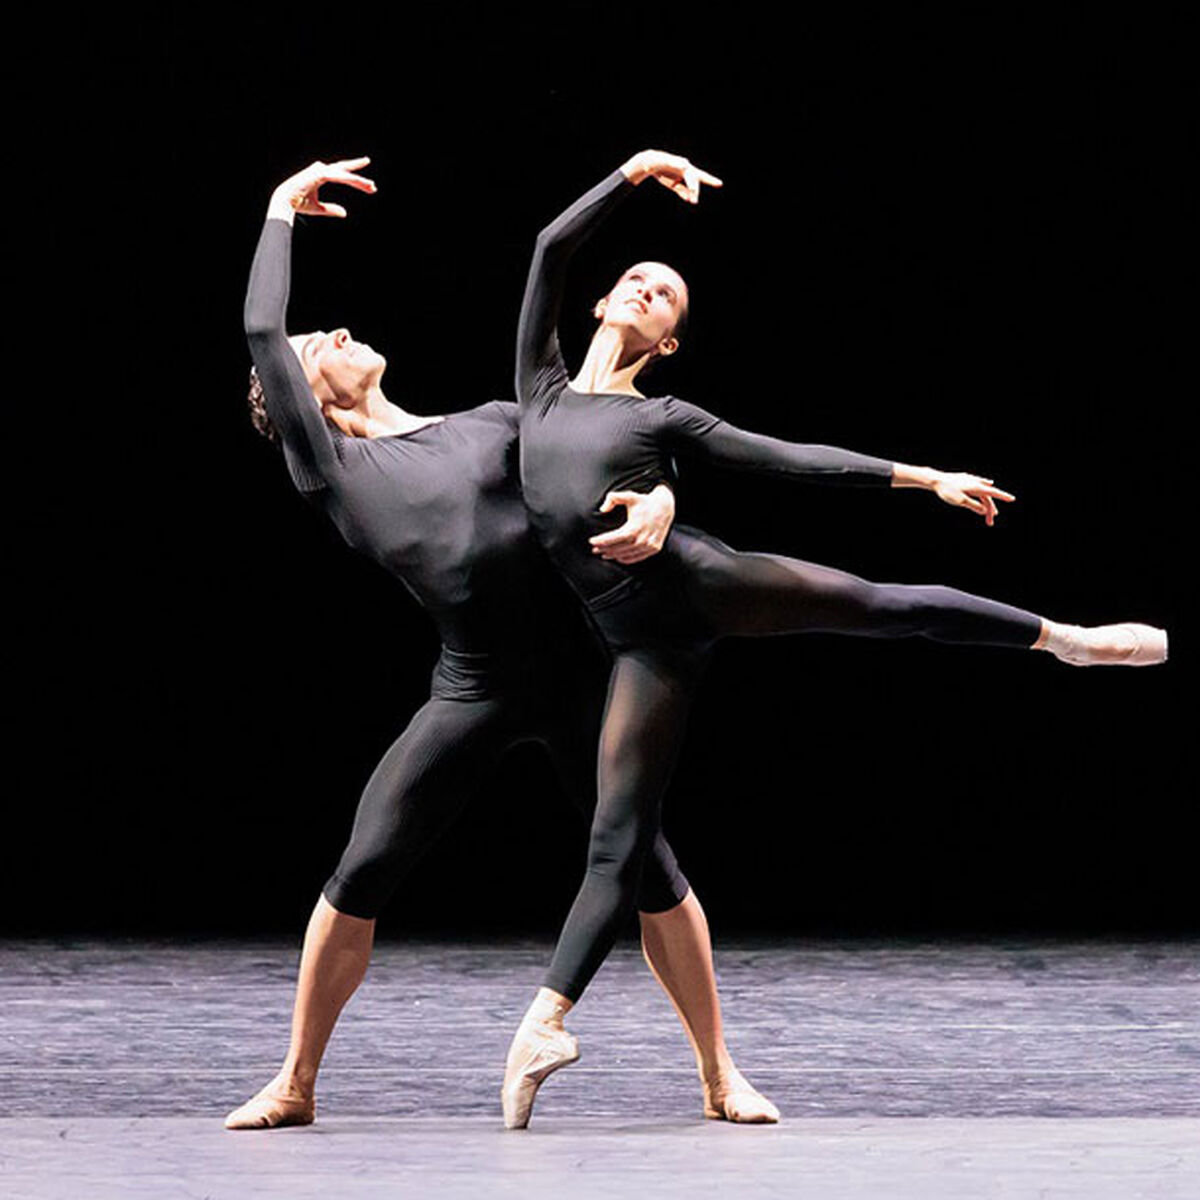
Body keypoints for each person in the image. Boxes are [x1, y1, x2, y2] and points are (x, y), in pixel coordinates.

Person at [502, 148, 1168, 1128]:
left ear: (671, 341)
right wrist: (632, 173)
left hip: (702, 581)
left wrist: (923, 477)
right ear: (606, 301)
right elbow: (550, 244)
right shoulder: (542, 388)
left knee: (877, 603)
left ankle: (1062, 639)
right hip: (641, 642)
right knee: (619, 835)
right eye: (639, 278)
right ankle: (545, 1025)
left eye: (668, 294)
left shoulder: (667, 411)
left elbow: (791, 461)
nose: (648, 286)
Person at [224, 159, 778, 1131]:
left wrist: (664, 498)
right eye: (325, 345)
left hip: (576, 673)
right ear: (306, 397)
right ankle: (296, 1080)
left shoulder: (493, 418)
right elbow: (264, 328)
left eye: (333, 329)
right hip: (472, 686)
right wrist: (281, 209)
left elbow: (614, 442)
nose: (339, 334)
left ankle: (718, 1077)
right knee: (363, 865)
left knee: (649, 866)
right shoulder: (333, 466)